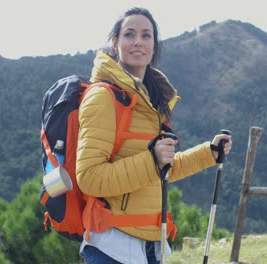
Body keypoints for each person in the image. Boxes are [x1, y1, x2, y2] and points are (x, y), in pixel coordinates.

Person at [75, 7, 232, 264]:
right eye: (130, 34)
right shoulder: (102, 97)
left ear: (154, 45)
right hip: (111, 247)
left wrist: (209, 153)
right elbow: (89, 178)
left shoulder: (151, 101)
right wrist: (152, 161)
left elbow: (162, 169)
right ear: (116, 43)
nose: (138, 41)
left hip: (151, 247)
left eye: (146, 35)